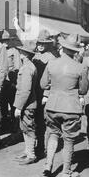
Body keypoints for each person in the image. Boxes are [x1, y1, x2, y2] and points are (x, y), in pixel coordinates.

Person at [41, 34, 88, 177]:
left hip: (52, 106)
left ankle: (48, 166)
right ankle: (66, 173)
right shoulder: (80, 67)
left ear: (63, 47)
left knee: (53, 134)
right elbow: (83, 90)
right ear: (75, 51)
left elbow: (43, 85)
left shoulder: (51, 64)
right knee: (68, 140)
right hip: (70, 108)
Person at [32, 29, 56, 159]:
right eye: (39, 42)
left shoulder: (51, 58)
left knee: (44, 121)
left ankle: (44, 147)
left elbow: (52, 78)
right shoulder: (35, 56)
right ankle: (38, 145)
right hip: (35, 92)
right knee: (36, 120)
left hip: (45, 93)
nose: (40, 45)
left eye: (43, 43)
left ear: (48, 44)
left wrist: (47, 94)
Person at [13, 41, 38, 165]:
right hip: (26, 104)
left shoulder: (28, 68)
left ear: (26, 54)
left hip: (27, 105)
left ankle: (31, 154)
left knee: (29, 129)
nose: (19, 53)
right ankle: (27, 151)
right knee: (25, 128)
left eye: (21, 51)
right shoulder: (27, 66)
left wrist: (19, 107)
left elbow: (26, 90)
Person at [0, 30, 21, 131]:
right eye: (3, 40)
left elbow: (18, 68)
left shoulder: (14, 51)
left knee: (13, 105)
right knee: (2, 106)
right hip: (1, 83)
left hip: (11, 82)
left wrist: (14, 82)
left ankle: (15, 127)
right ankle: (4, 126)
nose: (5, 42)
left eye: (7, 40)